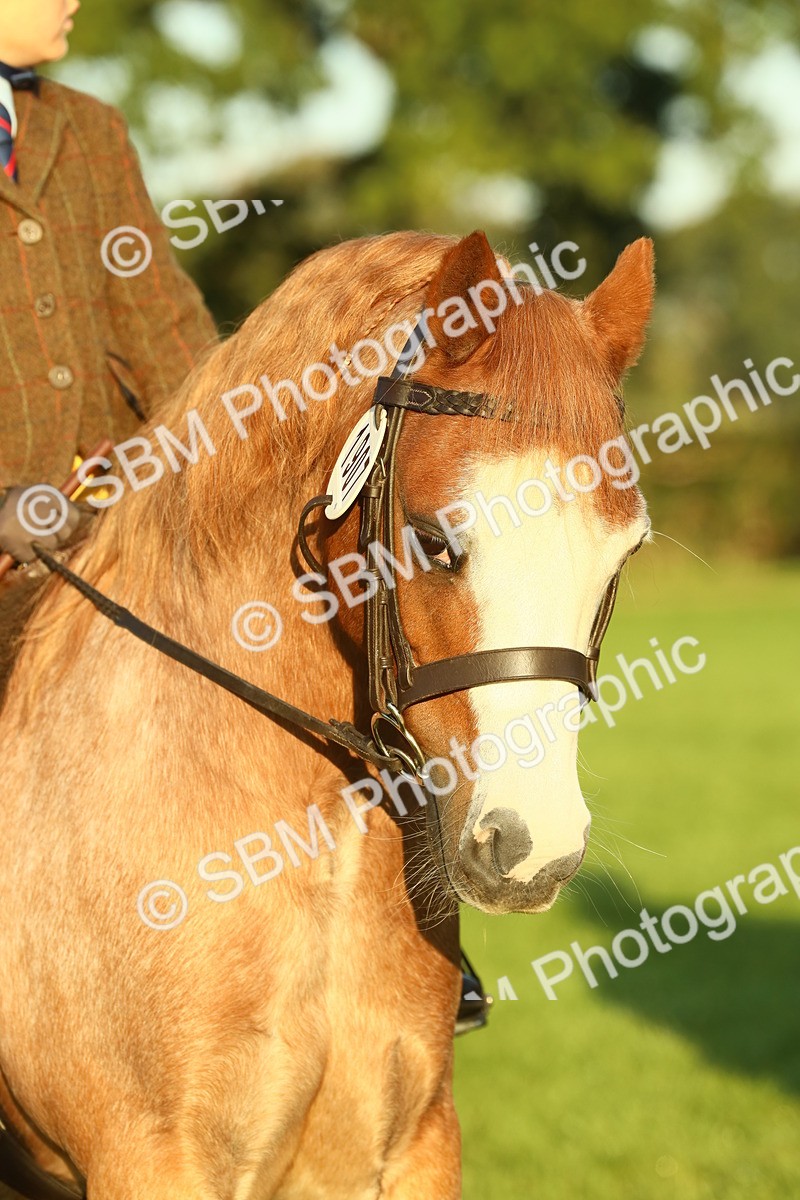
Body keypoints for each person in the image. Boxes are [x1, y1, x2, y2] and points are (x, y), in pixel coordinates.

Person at [0, 0, 217, 567]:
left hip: (118, 524)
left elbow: (161, 320)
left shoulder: (92, 127)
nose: (72, 2)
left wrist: (232, 445)